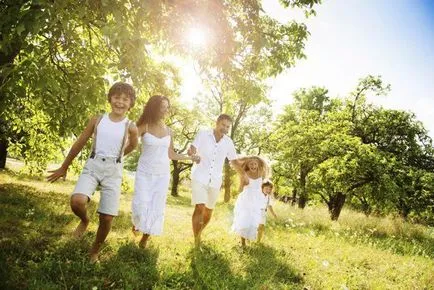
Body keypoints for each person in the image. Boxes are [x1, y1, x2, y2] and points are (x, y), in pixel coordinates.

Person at [47, 82, 138, 262]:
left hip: (113, 171)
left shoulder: (131, 126)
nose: (120, 102)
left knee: (106, 217)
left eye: (125, 99)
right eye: (117, 97)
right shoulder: (97, 119)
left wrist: (118, 157)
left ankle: (94, 251)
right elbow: (80, 142)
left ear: (131, 103)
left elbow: (133, 146)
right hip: (93, 165)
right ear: (110, 99)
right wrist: (64, 166)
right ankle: (85, 220)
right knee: (77, 201)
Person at [131, 95, 200, 248]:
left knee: (155, 206)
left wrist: (190, 158)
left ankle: (144, 239)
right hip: (144, 172)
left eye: (167, 107)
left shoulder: (169, 130)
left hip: (162, 174)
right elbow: (129, 143)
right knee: (141, 204)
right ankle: (137, 223)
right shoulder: (144, 126)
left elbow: (171, 154)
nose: (166, 110)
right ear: (154, 108)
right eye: (163, 107)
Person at [187, 114, 240, 247]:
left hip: (215, 180)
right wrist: (193, 154)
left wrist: (244, 175)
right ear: (217, 123)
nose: (225, 128)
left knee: (208, 211)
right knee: (200, 207)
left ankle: (199, 233)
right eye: (223, 125)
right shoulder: (203, 134)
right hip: (199, 175)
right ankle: (196, 239)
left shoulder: (228, 142)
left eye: (228, 127)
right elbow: (193, 149)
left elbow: (234, 161)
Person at [231, 156, 269, 249]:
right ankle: (243, 243)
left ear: (258, 165)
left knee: (254, 220)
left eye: (255, 164)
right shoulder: (245, 174)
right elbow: (240, 189)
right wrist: (244, 183)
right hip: (246, 200)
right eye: (251, 164)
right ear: (247, 165)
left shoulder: (261, 173)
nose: (253, 165)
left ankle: (250, 237)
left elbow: (264, 187)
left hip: (257, 200)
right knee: (244, 219)